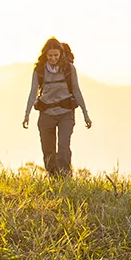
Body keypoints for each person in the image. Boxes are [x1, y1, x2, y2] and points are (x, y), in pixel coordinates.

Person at [22, 37, 92, 177]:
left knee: (63, 148)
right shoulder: (39, 71)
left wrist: (85, 114)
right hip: (46, 113)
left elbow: (76, 91)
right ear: (45, 55)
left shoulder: (69, 69)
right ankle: (54, 178)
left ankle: (65, 177)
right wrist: (27, 114)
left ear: (60, 54)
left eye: (56, 55)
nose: (53, 58)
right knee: (48, 151)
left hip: (66, 113)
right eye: (50, 55)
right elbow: (33, 92)